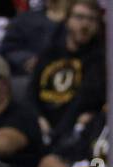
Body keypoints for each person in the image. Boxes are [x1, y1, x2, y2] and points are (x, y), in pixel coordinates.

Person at [29, 0, 105, 144]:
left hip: (73, 132)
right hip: (41, 125)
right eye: (79, 17)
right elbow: (31, 92)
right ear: (67, 20)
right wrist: (38, 118)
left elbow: (85, 100)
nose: (85, 25)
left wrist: (59, 133)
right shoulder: (49, 53)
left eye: (91, 19)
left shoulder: (99, 60)